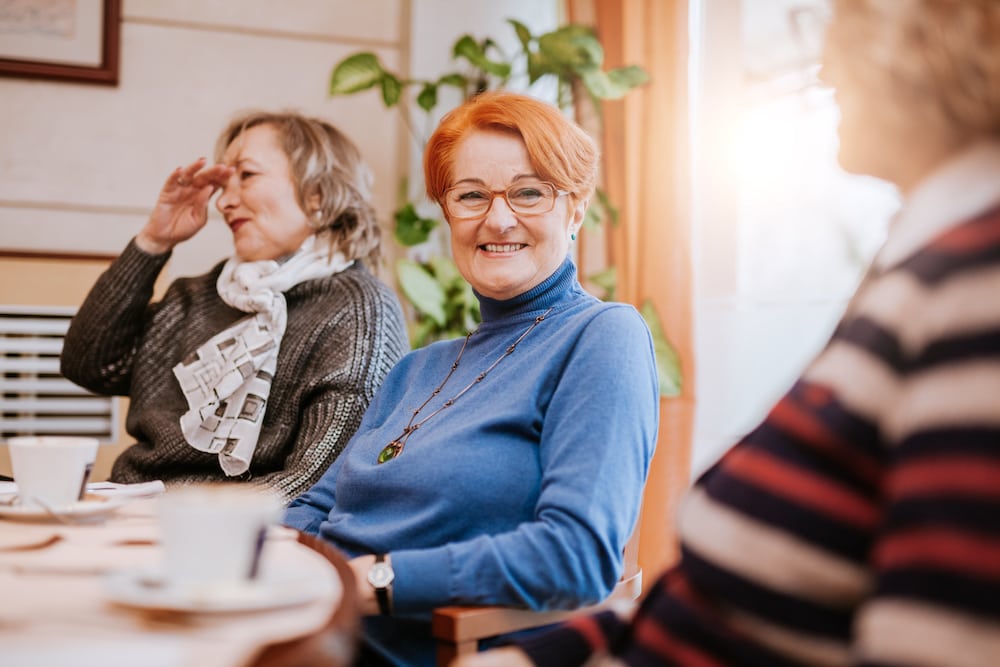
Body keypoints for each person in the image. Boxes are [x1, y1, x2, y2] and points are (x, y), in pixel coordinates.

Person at [455, 1, 1000, 666]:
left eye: (837, 29)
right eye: (469, 195)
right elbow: (705, 606)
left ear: (927, 42)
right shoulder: (918, 269)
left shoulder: (977, 290)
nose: (823, 64)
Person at [284, 90, 660, 666]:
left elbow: (578, 556)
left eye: (529, 192)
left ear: (576, 208)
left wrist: (377, 580)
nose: (498, 217)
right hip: (303, 629)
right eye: (471, 195)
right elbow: (316, 506)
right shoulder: (417, 367)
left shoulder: (602, 336)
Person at [61, 110, 409, 505]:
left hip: (233, 535)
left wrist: (181, 521)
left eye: (246, 175)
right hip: (128, 510)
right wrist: (153, 241)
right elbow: (90, 365)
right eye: (224, 183)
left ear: (318, 193)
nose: (224, 201)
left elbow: (317, 480)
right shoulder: (198, 294)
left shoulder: (358, 310)